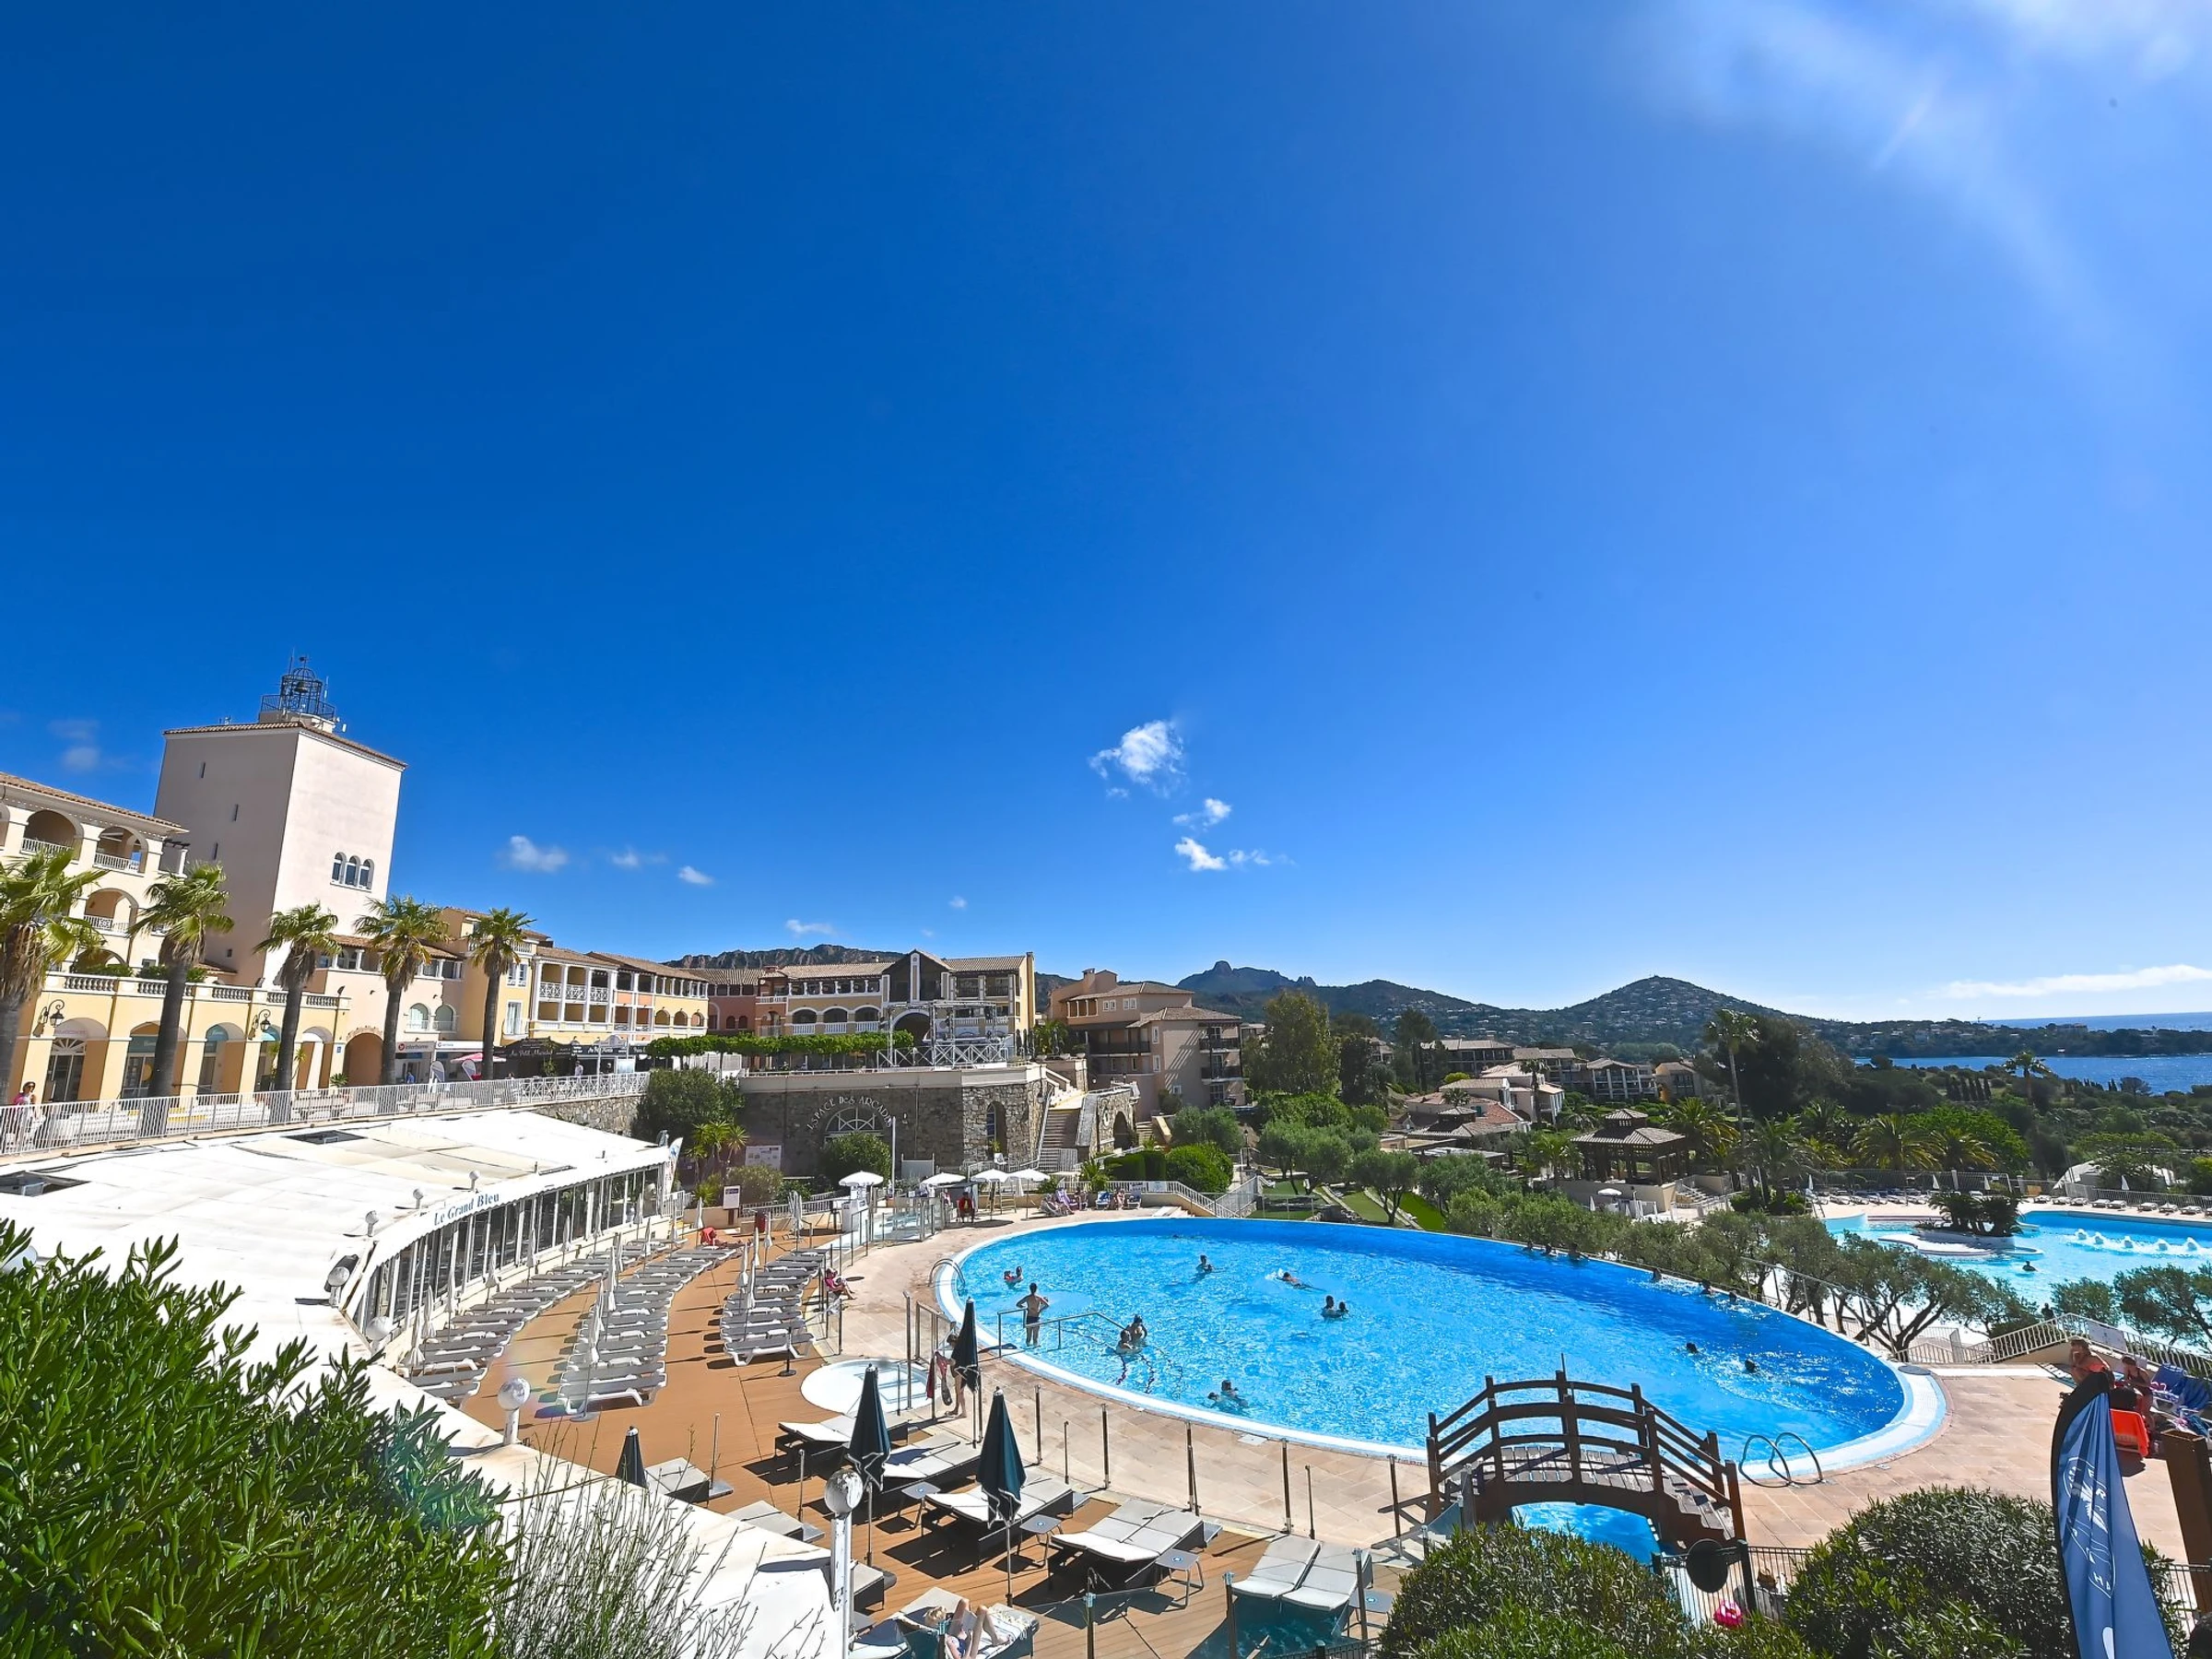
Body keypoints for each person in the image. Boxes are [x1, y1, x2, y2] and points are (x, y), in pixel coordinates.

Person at [1018, 1282, 1049, 1347]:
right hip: (1036, 1318)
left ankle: (1027, 1349)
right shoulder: (1039, 1298)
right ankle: (1035, 1350)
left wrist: (1026, 1308)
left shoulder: (1027, 1298)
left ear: (1030, 1289)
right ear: (1036, 1289)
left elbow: (1018, 1304)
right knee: (1035, 1338)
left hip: (1029, 1317)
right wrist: (1040, 1310)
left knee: (1028, 1337)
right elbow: (1047, 1305)